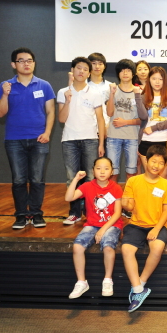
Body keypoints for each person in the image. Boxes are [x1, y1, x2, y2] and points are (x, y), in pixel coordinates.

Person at [0, 47, 55, 229]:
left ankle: (36, 214)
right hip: (14, 140)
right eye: (21, 61)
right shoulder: (5, 85)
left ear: (34, 63)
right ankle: (21, 215)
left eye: (29, 60)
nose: (26, 63)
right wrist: (5, 95)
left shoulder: (44, 85)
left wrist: (47, 133)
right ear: (14, 65)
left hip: (39, 139)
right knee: (19, 180)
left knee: (37, 179)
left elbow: (51, 111)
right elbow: (0, 113)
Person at [120, 144, 167, 312]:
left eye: (160, 162)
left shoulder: (166, 185)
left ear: (164, 165)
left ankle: (141, 284)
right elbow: (128, 206)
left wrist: (156, 229)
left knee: (157, 248)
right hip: (136, 224)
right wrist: (124, 203)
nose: (156, 165)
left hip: (158, 224)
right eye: (153, 161)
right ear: (146, 161)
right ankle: (137, 289)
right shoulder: (133, 181)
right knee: (127, 250)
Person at [65, 157, 122, 299]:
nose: (102, 171)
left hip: (111, 225)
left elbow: (117, 213)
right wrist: (76, 179)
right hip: (91, 225)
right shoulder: (87, 186)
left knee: (108, 246)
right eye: (98, 168)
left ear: (112, 171)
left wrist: (103, 229)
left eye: (106, 168)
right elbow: (69, 197)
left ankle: (108, 280)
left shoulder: (115, 188)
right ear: (93, 170)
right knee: (77, 247)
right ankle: (81, 282)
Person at [57, 57, 106, 225]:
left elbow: (100, 119)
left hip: (90, 140)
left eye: (85, 69)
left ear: (89, 72)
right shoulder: (64, 92)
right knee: (72, 177)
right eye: (79, 68)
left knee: (92, 177)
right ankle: (75, 212)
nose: (82, 72)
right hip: (69, 140)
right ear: (72, 70)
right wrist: (68, 101)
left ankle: (93, 212)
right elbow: (62, 119)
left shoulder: (95, 93)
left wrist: (101, 143)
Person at [106, 59, 146, 183]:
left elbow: (143, 119)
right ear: (118, 73)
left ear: (133, 73)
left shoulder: (139, 91)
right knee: (112, 172)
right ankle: (112, 199)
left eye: (128, 70)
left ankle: (130, 199)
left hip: (132, 137)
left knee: (132, 172)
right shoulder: (113, 89)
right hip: (113, 136)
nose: (125, 73)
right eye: (122, 71)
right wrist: (112, 94)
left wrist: (125, 122)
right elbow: (109, 113)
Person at [138, 66, 167, 179]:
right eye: (154, 78)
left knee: (164, 177)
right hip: (146, 140)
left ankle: (163, 197)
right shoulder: (143, 98)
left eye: (160, 79)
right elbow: (142, 117)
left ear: (164, 81)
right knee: (149, 176)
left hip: (165, 140)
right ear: (149, 80)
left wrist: (154, 127)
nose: (157, 82)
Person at [87, 52, 113, 127]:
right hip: (88, 129)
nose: (97, 66)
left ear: (104, 66)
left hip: (108, 127)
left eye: (100, 64)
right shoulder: (83, 86)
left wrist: (109, 126)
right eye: (94, 63)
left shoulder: (110, 86)